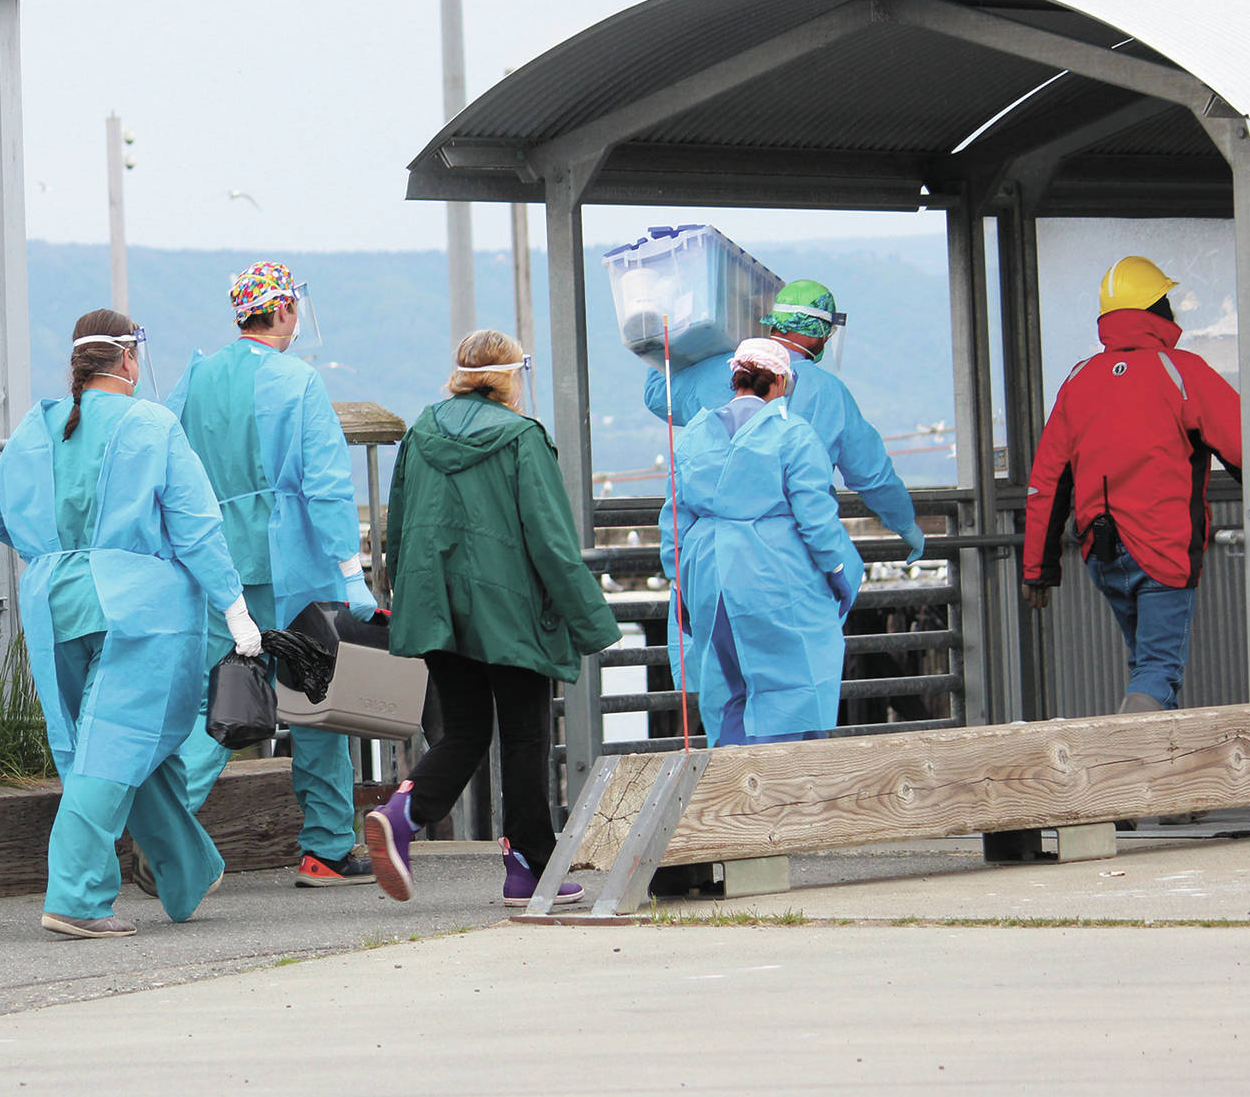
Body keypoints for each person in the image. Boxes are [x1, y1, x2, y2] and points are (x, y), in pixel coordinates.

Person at [0, 310, 251, 938]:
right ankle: (75, 896)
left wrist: (52, 549)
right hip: (140, 606)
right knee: (113, 748)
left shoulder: (33, 428)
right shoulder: (152, 423)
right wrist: (235, 608)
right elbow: (196, 526)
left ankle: (187, 868)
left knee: (112, 745)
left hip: (54, 600)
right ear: (129, 359)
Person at [363, 329, 619, 907]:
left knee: (466, 731)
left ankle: (404, 812)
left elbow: (395, 526)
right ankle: (526, 866)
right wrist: (591, 622)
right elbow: (551, 541)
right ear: (512, 376)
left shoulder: (422, 431)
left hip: (437, 609)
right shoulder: (522, 438)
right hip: (511, 612)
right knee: (526, 737)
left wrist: (404, 593)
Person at [167, 261, 380, 889]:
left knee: (221, 700)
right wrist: (351, 571)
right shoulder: (300, 381)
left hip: (218, 566)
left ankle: (165, 828)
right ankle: (326, 849)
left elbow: (171, 466)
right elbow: (327, 486)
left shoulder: (195, 377)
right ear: (286, 310)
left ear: (241, 314)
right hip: (297, 567)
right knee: (316, 701)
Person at [1022, 256, 1250, 712]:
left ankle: (1158, 772)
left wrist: (1038, 569)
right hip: (1162, 548)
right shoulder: (1181, 371)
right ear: (1159, 310)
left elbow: (1047, 483)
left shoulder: (1078, 379)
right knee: (1158, 670)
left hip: (1103, 552)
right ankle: (1131, 759)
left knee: (1145, 666)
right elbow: (1247, 444)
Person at [654, 339, 861, 748]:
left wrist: (680, 582)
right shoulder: (793, 434)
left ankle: (733, 794)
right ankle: (782, 795)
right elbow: (816, 520)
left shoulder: (695, 433)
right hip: (774, 576)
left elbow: (673, 518)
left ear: (734, 379)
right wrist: (839, 572)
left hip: (708, 577)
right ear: (781, 382)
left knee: (726, 688)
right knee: (791, 686)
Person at [643, 279, 925, 562]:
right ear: (820, 332)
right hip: (792, 554)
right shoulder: (829, 394)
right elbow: (873, 476)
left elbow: (657, 396)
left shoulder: (719, 371)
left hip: (711, 557)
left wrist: (673, 335)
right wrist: (906, 526)